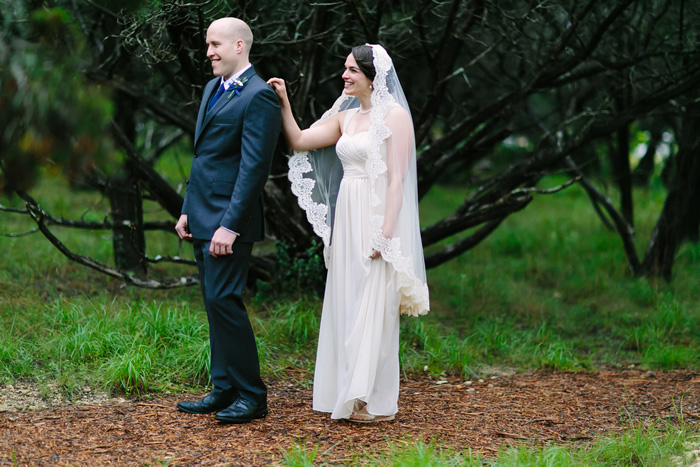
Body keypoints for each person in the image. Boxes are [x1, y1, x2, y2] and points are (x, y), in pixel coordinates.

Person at [268, 44, 429, 423]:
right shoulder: (346, 116)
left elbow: (397, 182)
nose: (345, 75)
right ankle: (350, 392)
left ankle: (378, 402)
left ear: (373, 78)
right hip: (348, 215)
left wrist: (385, 235)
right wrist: (284, 102)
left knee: (377, 304)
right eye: (345, 68)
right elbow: (300, 140)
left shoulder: (395, 116)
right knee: (349, 302)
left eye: (353, 70)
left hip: (376, 218)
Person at [175, 17, 281, 424]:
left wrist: (230, 226)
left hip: (228, 221)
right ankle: (223, 389)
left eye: (215, 44)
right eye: (207, 44)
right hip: (201, 212)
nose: (208, 52)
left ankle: (252, 394)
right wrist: (187, 208)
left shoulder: (258, 97)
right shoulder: (211, 89)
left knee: (224, 300)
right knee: (213, 303)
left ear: (240, 45)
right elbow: (204, 158)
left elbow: (254, 169)